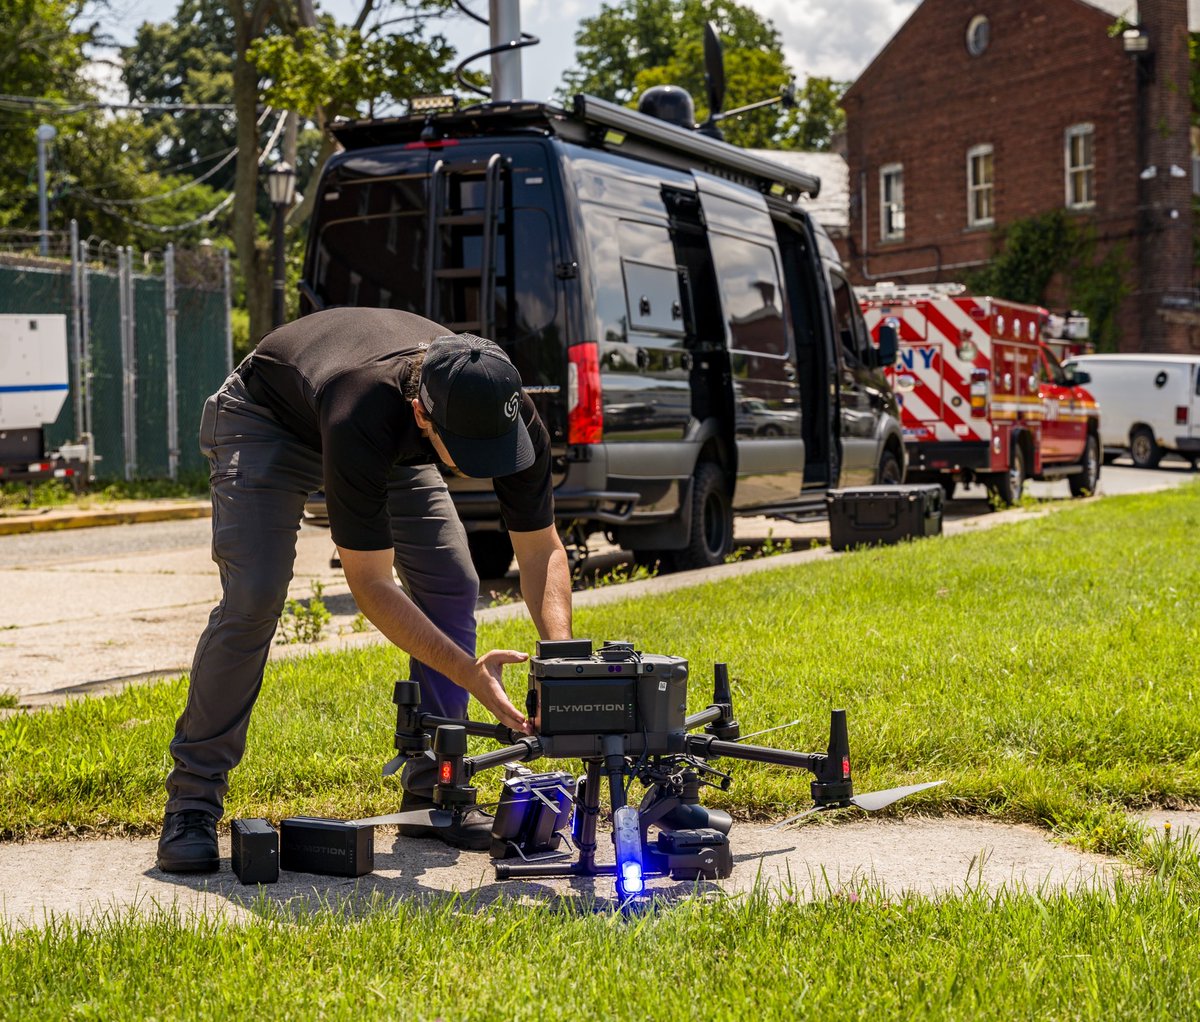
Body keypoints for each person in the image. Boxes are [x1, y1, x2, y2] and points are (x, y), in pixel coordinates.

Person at [156, 307, 573, 873]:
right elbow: (371, 584)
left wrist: (561, 664)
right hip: (268, 419)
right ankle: (192, 800)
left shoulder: (500, 403)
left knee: (452, 581)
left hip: (391, 438)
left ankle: (433, 789)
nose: (487, 467)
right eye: (472, 453)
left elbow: (542, 549)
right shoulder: (361, 408)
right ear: (423, 413)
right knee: (254, 594)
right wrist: (469, 673)